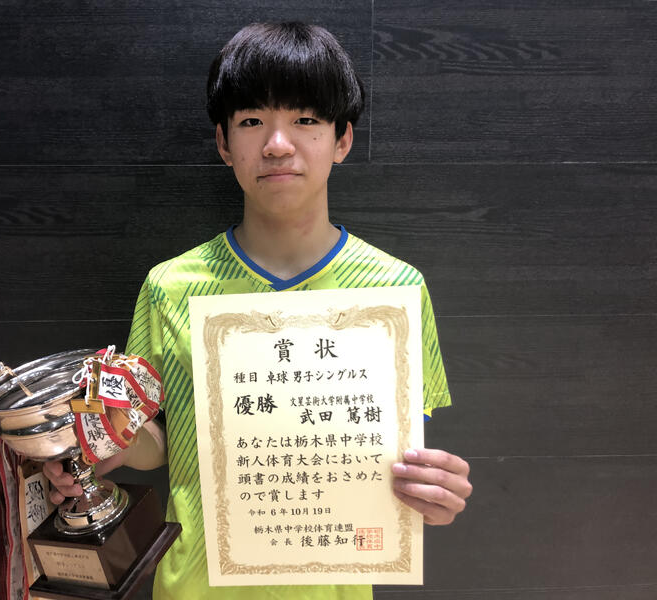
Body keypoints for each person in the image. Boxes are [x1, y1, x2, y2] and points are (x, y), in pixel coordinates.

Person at [45, 21, 472, 599]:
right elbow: (161, 442)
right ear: (224, 143)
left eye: (306, 120)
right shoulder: (171, 287)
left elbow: (400, 455)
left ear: (343, 139)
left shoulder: (395, 288)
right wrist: (100, 445)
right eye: (251, 121)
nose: (276, 144)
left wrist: (433, 493)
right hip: (195, 587)